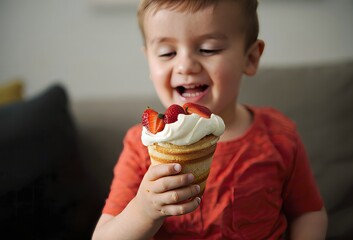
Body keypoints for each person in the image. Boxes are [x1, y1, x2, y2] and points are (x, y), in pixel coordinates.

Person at [92, 0, 328, 239]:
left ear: (251, 58)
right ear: (149, 61)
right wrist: (144, 210)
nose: (185, 65)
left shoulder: (279, 135)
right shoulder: (141, 146)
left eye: (208, 49)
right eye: (167, 53)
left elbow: (308, 213)